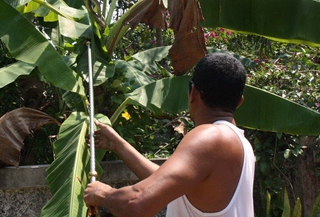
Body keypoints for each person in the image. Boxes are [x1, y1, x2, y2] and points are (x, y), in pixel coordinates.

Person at [84, 52, 255, 217]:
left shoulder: (209, 137)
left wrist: (104, 194)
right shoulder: (240, 143)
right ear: (240, 101)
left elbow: (136, 205)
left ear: (193, 92)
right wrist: (117, 144)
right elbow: (165, 182)